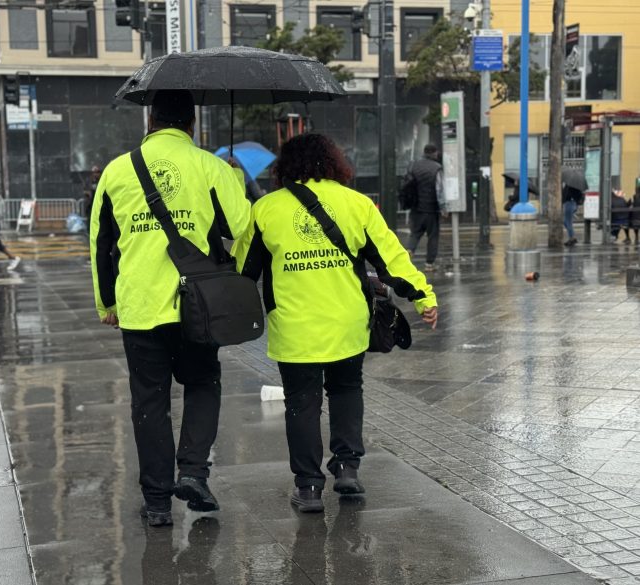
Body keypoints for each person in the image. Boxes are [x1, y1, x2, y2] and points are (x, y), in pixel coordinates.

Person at [233, 133, 438, 513]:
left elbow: (243, 271)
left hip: (294, 328)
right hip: (347, 323)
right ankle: (347, 468)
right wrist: (424, 296)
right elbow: (391, 259)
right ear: (334, 163)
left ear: (285, 168)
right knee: (346, 390)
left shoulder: (266, 210)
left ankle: (309, 488)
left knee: (301, 404)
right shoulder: (357, 204)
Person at [90, 90, 250, 527]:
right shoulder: (211, 166)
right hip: (197, 305)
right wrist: (233, 181)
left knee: (149, 402)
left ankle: (158, 502)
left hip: (140, 306)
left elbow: (101, 244)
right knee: (202, 384)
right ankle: (194, 473)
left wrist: (107, 301)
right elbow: (242, 228)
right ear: (191, 123)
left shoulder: (116, 171)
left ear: (151, 121)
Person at [404, 144, 446, 271]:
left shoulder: (414, 165)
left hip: (416, 208)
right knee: (433, 236)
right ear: (434, 153)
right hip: (431, 209)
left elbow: (408, 185)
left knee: (415, 234)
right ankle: (429, 264)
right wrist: (443, 208)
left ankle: (408, 253)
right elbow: (440, 190)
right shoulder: (437, 168)